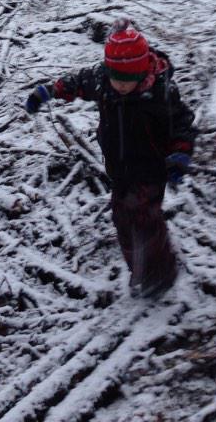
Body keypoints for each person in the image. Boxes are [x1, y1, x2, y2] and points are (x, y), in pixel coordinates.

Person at [24, 18, 195, 298]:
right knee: (122, 219)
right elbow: (76, 82)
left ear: (141, 73)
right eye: (116, 79)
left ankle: (160, 274)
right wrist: (48, 91)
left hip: (150, 169)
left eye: (128, 81)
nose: (120, 86)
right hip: (118, 167)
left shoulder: (160, 94)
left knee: (144, 218)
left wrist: (179, 155)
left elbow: (182, 123)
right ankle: (139, 270)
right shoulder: (104, 80)